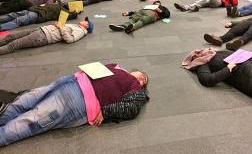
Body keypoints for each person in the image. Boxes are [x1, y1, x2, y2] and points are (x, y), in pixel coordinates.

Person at [0, 63, 149, 146]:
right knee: (23, 102)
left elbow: (131, 108)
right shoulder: (117, 67)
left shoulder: (136, 87)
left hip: (79, 100)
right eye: (142, 74)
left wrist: (105, 112)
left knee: (32, 120)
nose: (143, 78)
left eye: (144, 80)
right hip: (69, 81)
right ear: (133, 70)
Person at [183, 48, 252, 119]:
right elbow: (207, 80)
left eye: (200, 51)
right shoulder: (203, 65)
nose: (201, 53)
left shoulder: (218, 52)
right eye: (196, 55)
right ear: (194, 60)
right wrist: (228, 69)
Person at [0, 17, 94, 55]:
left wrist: (60, 27)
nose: (84, 20)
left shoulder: (81, 31)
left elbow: (69, 39)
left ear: (87, 26)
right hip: (41, 30)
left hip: (43, 36)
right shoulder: (76, 26)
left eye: (86, 21)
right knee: (12, 36)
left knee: (15, 44)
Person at [0, 3, 78, 31]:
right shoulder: (58, 5)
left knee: (17, 20)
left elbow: (71, 15)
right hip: (33, 10)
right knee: (13, 16)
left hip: (37, 14)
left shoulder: (63, 11)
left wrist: (76, 12)